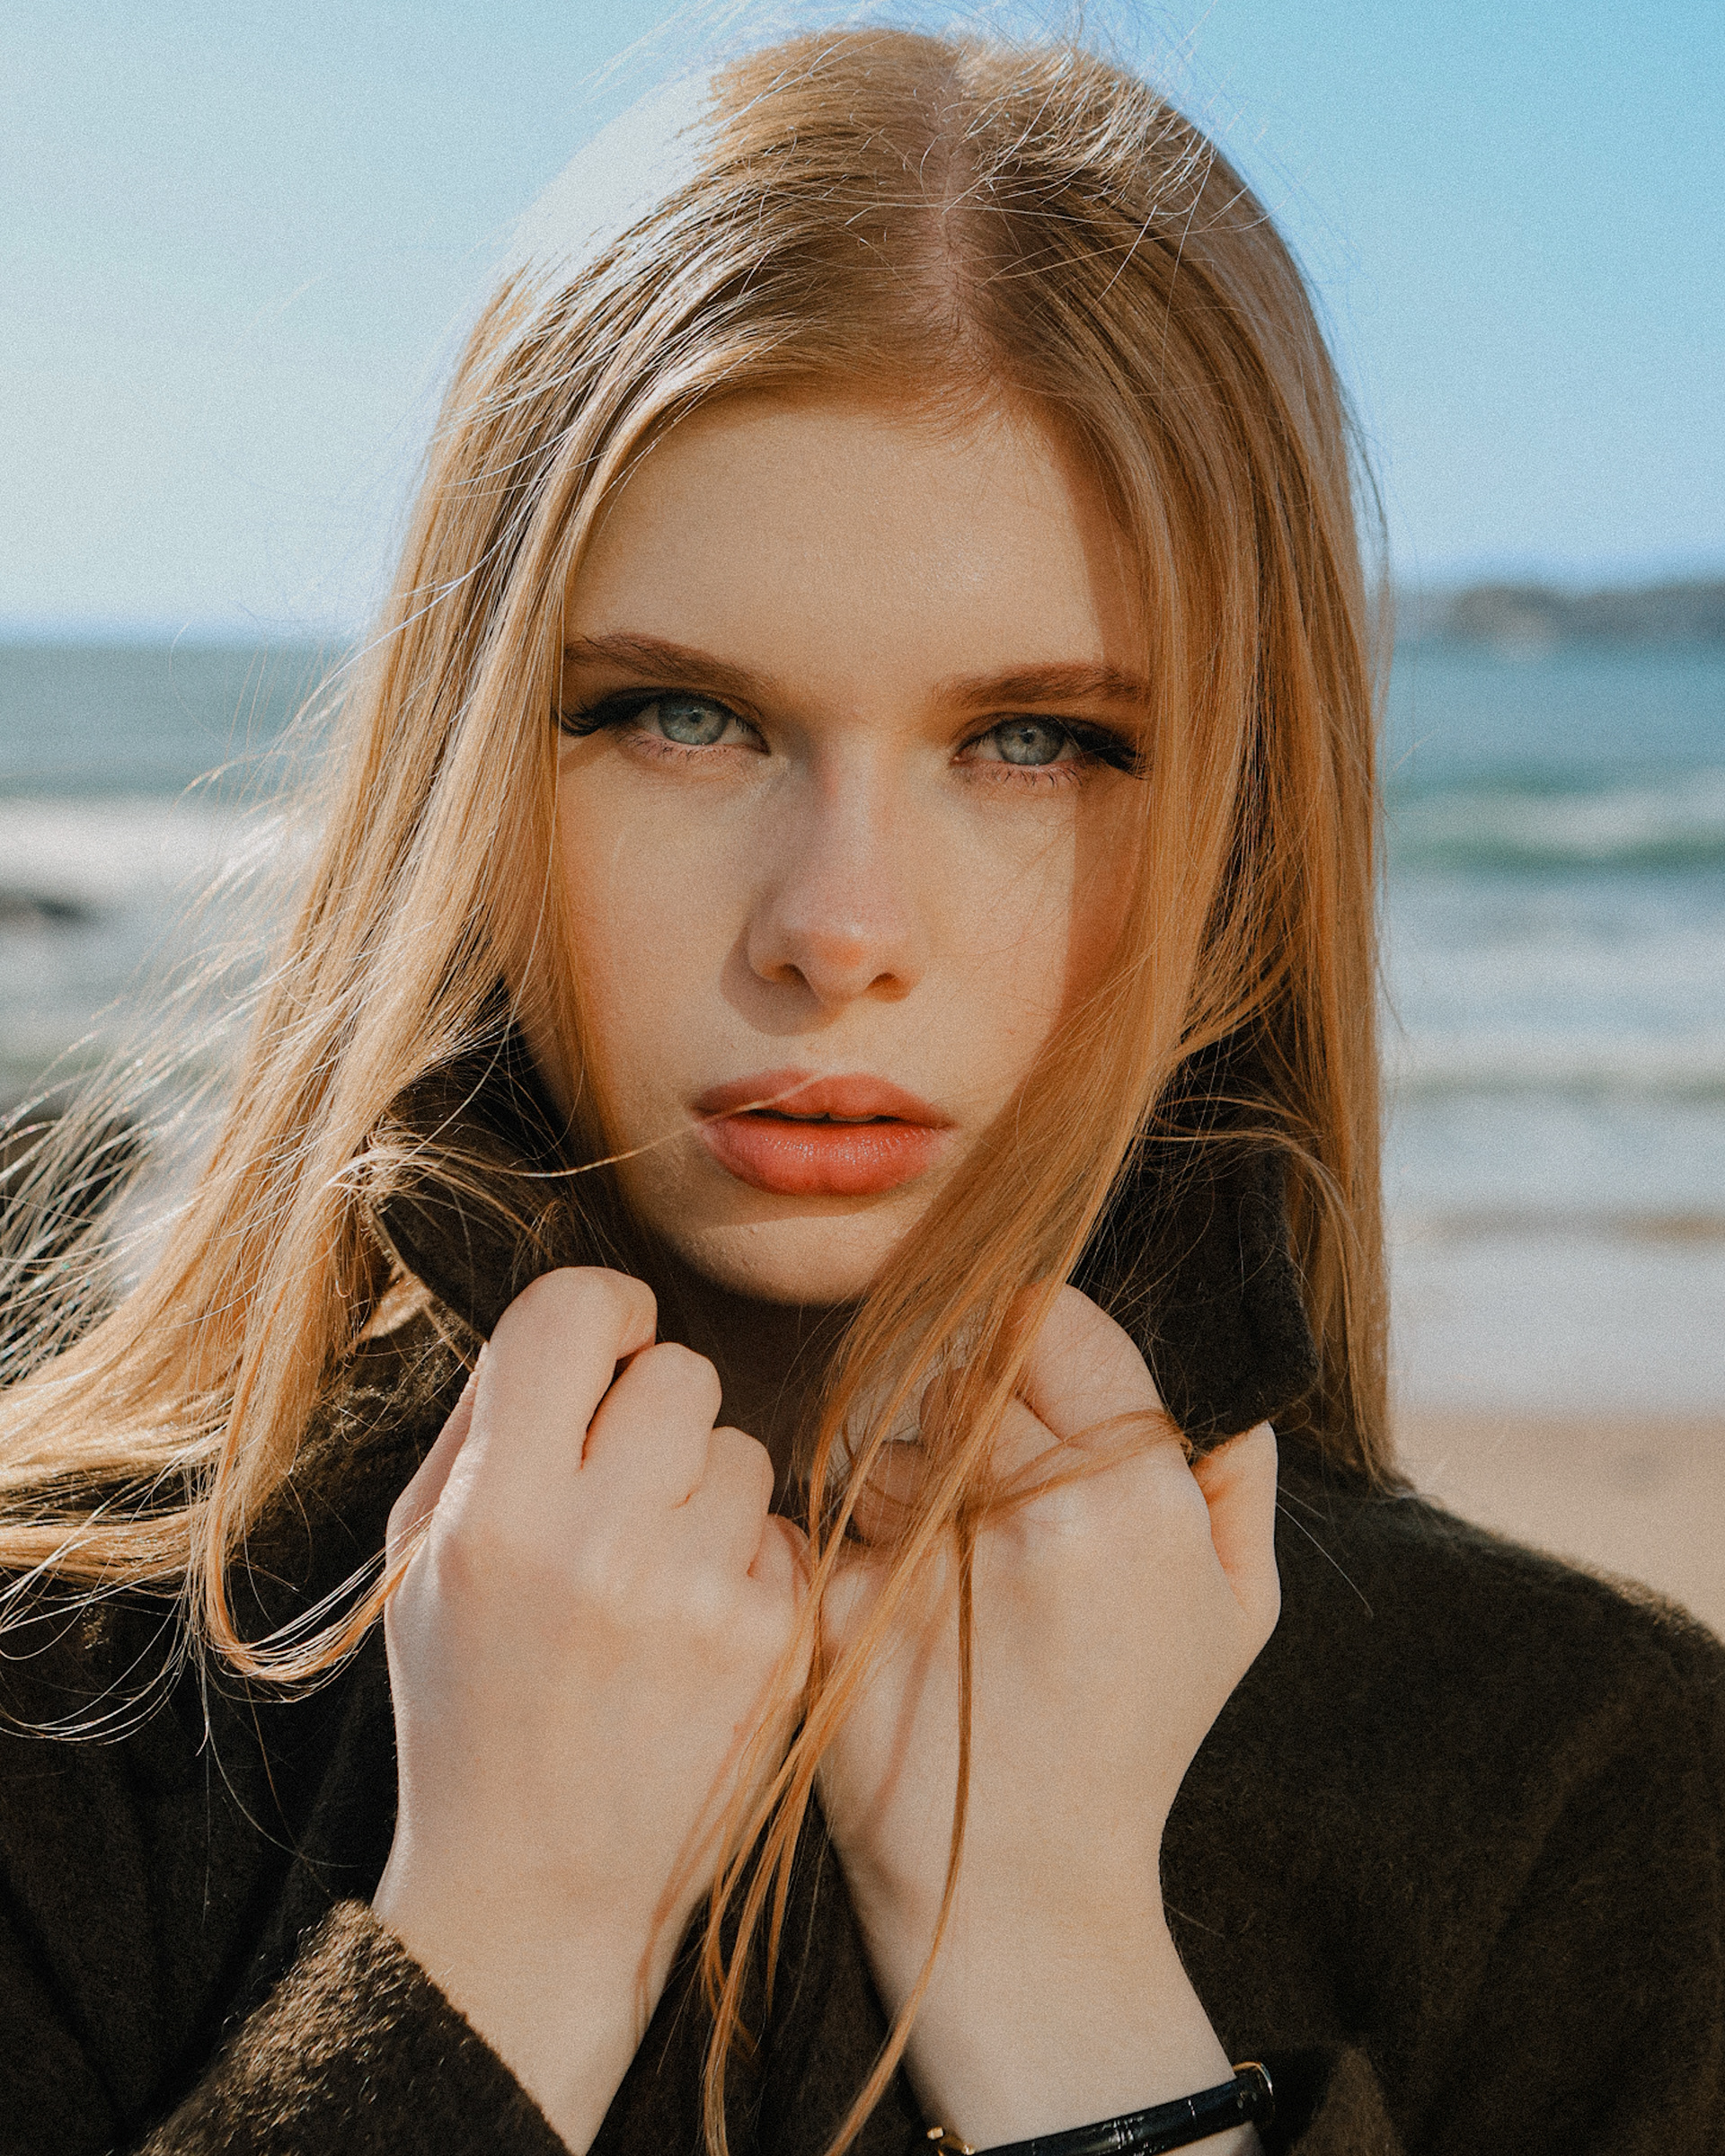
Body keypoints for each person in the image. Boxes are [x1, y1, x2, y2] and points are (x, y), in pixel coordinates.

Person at [0, 22, 1719, 2156]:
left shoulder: (1593, 1788)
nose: (837, 929)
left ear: (1246, 841)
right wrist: (501, 1946)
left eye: (1039, 742)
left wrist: (1065, 1983)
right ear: (473, 770)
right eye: (679, 716)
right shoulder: (58, 1691)